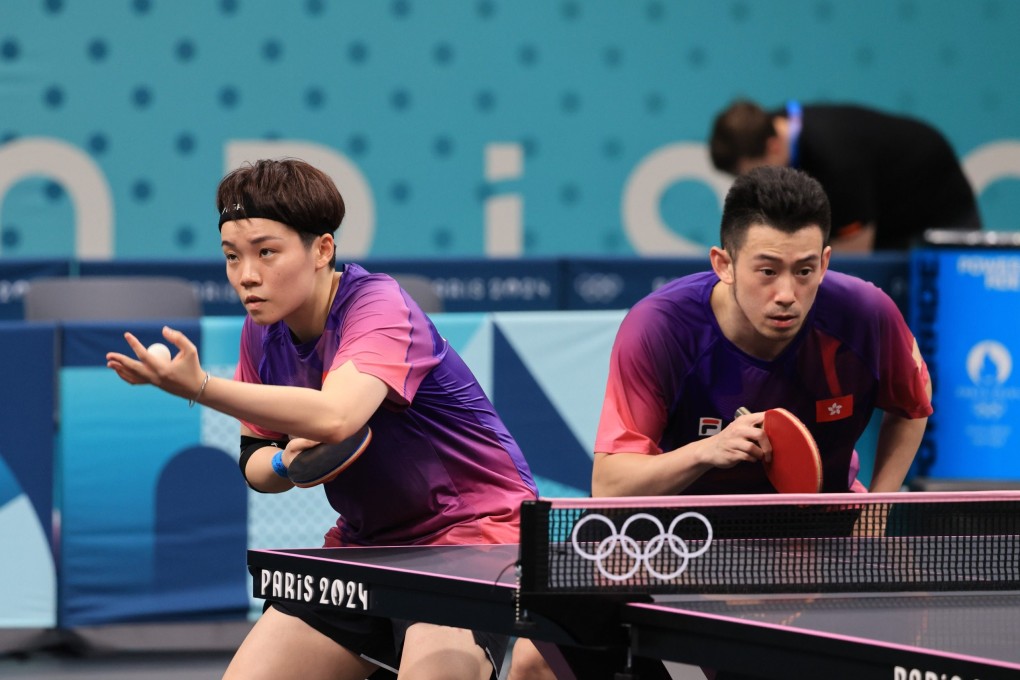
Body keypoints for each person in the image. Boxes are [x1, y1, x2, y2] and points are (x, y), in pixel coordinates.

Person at [106, 158, 538, 680]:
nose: (246, 276)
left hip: (474, 535)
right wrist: (287, 464)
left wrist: (199, 388)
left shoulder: (378, 305)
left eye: (267, 252)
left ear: (322, 249)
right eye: (231, 256)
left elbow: (337, 416)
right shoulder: (262, 331)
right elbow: (256, 464)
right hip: (367, 545)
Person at [507, 165, 933, 679]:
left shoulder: (865, 313)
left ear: (825, 262)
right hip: (685, 534)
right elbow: (610, 485)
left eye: (804, 270)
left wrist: (879, 505)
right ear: (724, 263)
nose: (786, 294)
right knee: (538, 658)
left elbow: (912, 409)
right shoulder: (661, 327)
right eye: (767, 269)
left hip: (820, 530)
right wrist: (708, 450)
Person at [709, 99, 981, 252]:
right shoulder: (773, 124)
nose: (755, 182)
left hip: (940, 214)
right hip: (889, 217)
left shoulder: (836, 158)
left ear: (773, 146)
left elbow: (854, 259)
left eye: (753, 171)